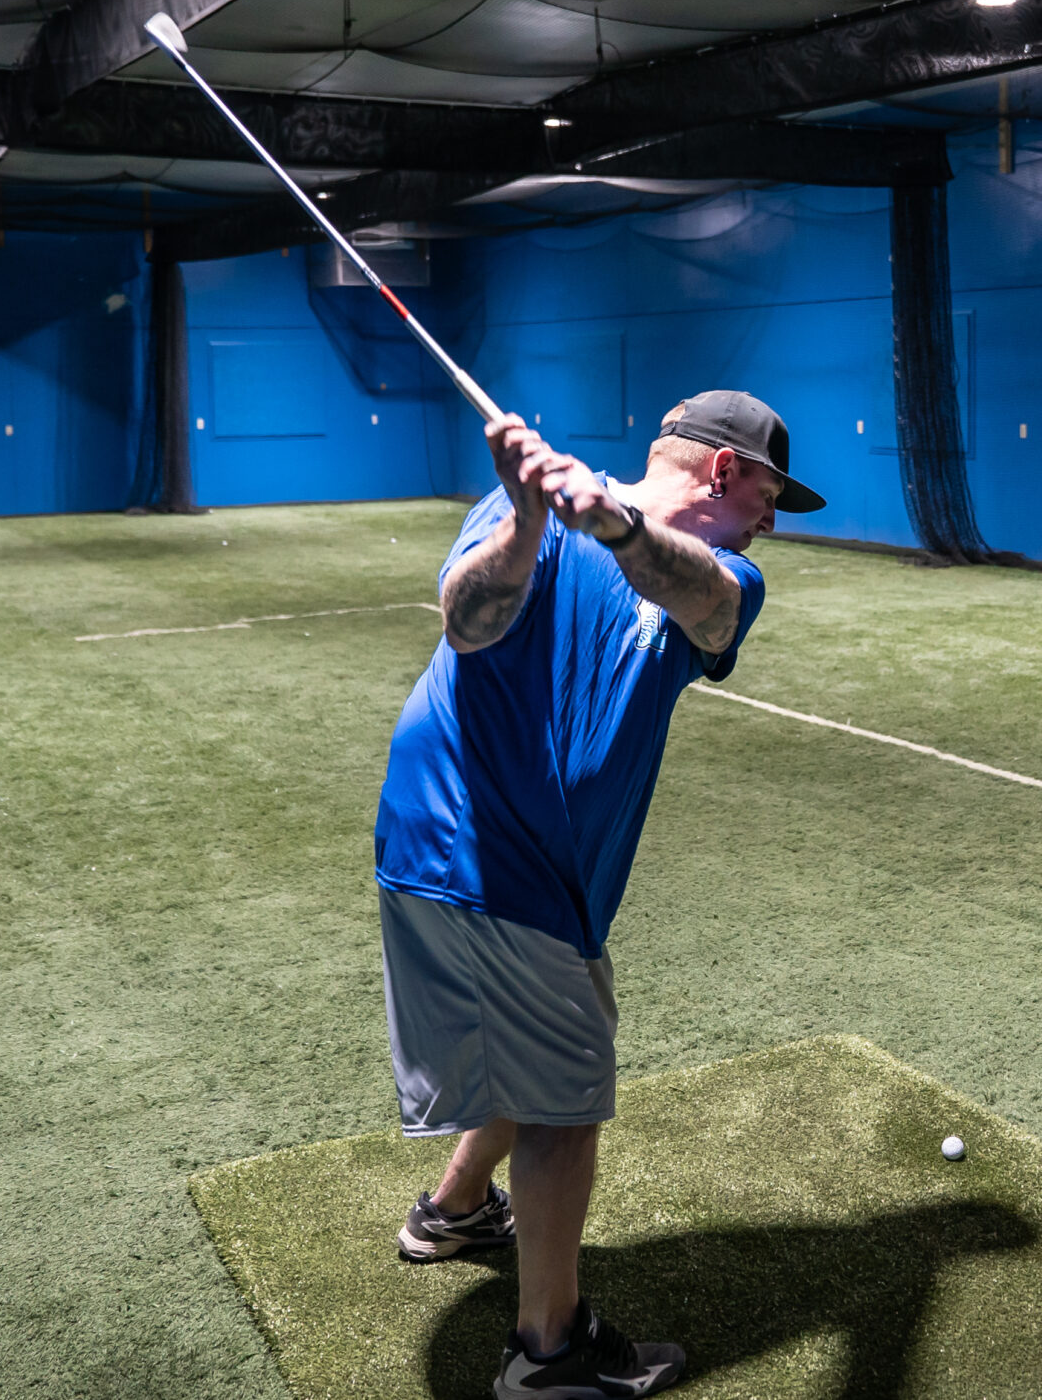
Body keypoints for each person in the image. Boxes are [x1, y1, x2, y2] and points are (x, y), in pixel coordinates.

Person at [370, 390, 824, 1399]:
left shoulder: (725, 578)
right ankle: (549, 1353)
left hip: (545, 876)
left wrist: (612, 524)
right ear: (721, 471)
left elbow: (699, 596)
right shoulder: (516, 508)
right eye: (770, 490)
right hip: (476, 847)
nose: (773, 517)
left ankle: (454, 1208)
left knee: (546, 1046)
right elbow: (469, 620)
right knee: (566, 1095)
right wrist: (531, 522)